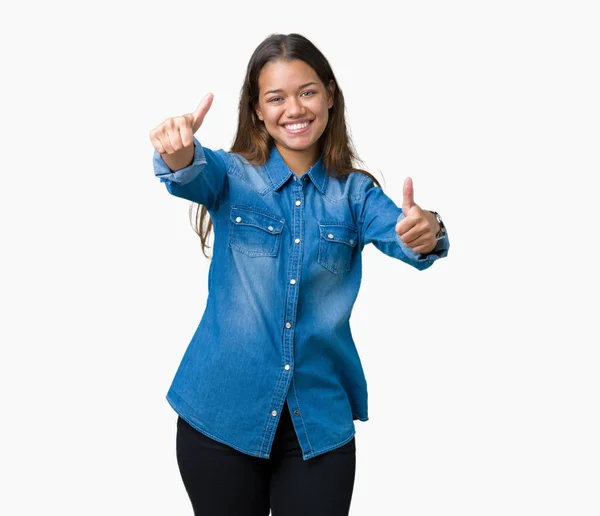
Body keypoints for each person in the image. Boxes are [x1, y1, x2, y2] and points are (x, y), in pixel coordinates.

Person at [149, 32, 450, 516]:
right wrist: (177, 152)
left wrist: (428, 229)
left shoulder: (355, 195)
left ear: (330, 96)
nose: (295, 108)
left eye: (307, 91)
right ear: (257, 112)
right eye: (276, 97)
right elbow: (189, 172)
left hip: (317, 427)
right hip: (219, 416)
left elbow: (407, 234)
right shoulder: (229, 175)